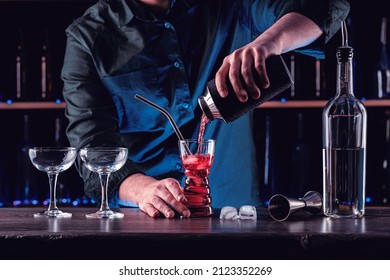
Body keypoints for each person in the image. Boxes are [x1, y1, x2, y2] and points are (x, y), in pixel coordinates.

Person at [61, 0, 350, 218]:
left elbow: (324, 6)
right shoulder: (88, 36)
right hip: (146, 218)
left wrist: (268, 43)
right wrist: (143, 189)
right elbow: (93, 148)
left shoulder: (230, 5)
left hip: (237, 215)